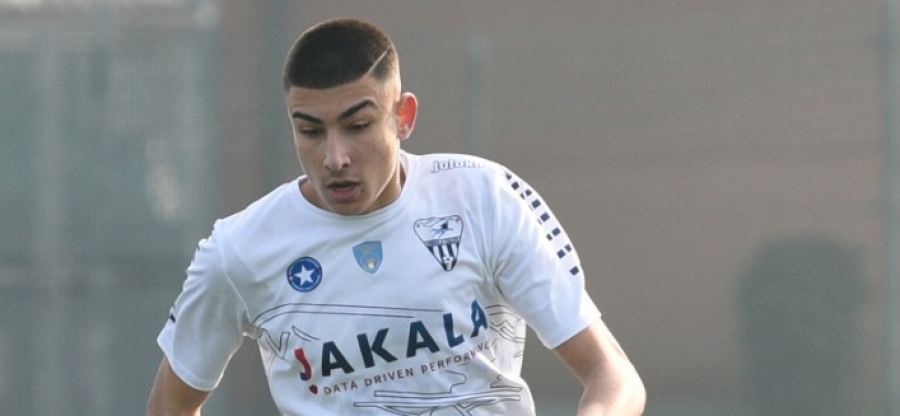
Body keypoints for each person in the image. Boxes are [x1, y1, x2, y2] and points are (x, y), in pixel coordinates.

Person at [147, 17, 645, 416]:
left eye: (358, 125)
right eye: (311, 131)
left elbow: (614, 377)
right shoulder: (237, 250)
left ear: (403, 117)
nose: (335, 157)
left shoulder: (484, 198)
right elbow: (170, 406)